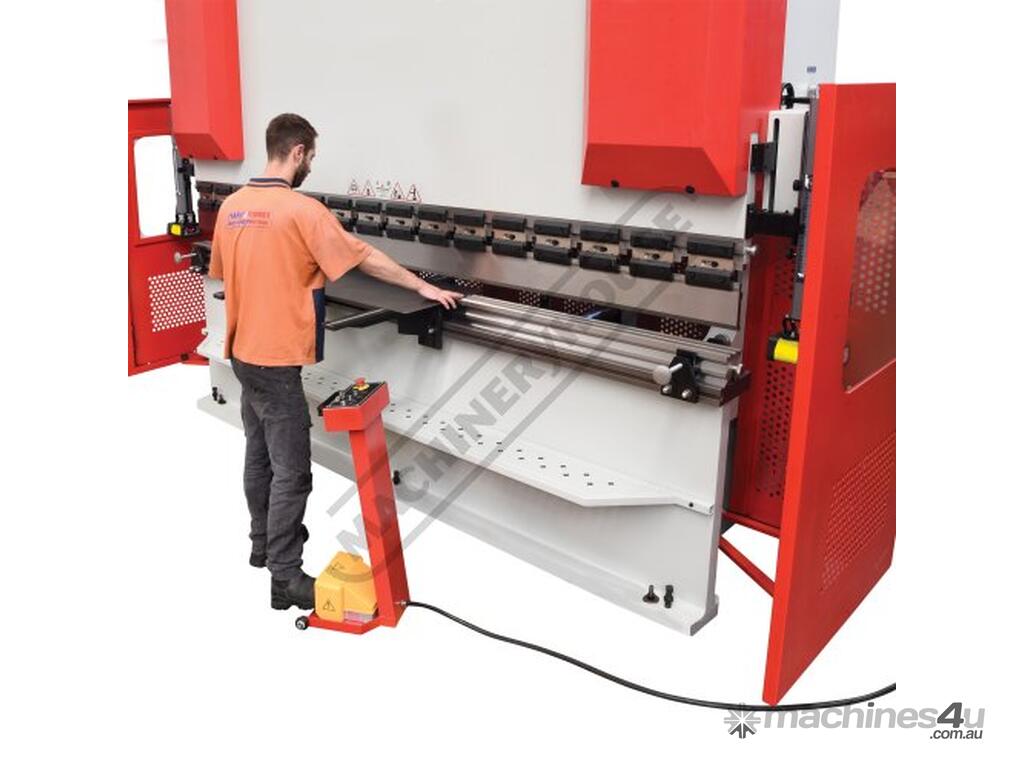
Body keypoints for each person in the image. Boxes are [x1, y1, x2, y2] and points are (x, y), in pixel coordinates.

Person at [208, 113, 462, 610]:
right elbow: (362, 256)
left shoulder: (233, 207)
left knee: (258, 455)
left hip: (241, 352)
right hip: (276, 361)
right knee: (293, 472)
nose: (311, 167)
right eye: (311, 157)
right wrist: (422, 286)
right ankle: (285, 577)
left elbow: (223, 270)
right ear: (297, 152)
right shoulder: (302, 211)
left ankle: (262, 545)